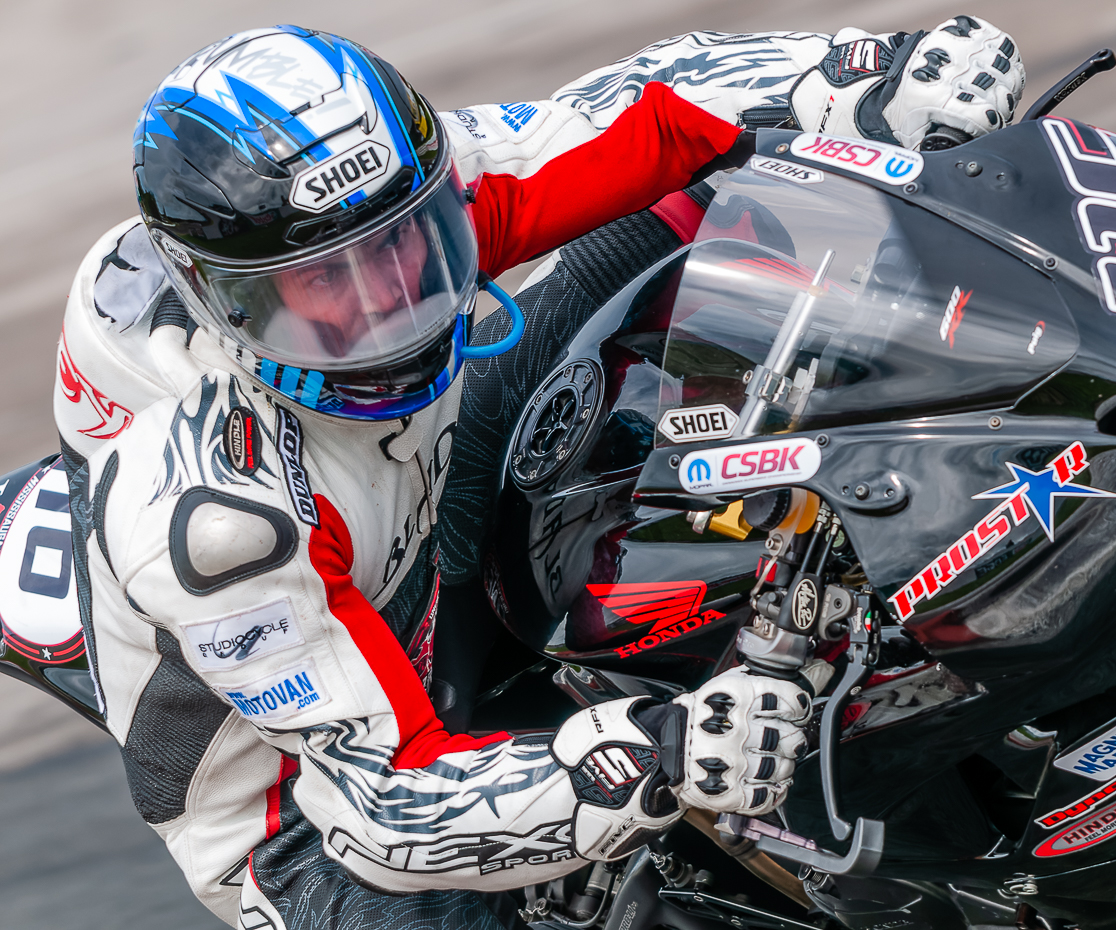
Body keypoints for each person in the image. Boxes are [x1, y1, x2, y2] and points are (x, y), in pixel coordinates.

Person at [53, 18, 1024, 930]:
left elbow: (633, 109)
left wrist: (861, 75)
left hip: (423, 499)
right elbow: (383, 799)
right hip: (310, 812)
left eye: (407, 244)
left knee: (687, 209)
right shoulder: (213, 515)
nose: (392, 300)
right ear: (229, 302)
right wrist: (667, 752)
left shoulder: (375, 198)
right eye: (327, 285)